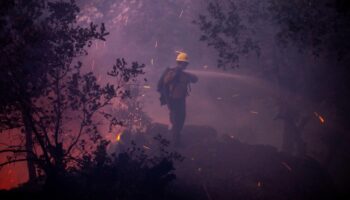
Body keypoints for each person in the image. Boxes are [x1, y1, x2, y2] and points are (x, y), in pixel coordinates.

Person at [157, 51, 198, 146]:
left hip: (181, 100)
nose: (186, 65)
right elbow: (166, 81)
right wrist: (175, 73)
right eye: (185, 63)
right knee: (176, 120)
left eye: (186, 64)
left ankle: (176, 138)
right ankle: (175, 142)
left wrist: (190, 75)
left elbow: (195, 79)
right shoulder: (172, 72)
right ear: (180, 63)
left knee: (181, 119)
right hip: (173, 100)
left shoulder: (184, 74)